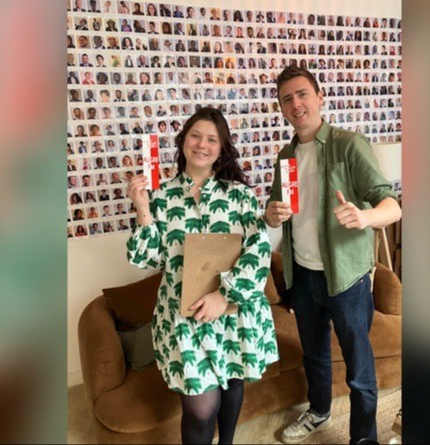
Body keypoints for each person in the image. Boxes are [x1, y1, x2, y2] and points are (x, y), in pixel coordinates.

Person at [264, 66, 401, 445]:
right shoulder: (286, 157)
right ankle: (319, 410)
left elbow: (392, 205)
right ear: (281, 108)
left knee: (358, 366)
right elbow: (276, 211)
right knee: (314, 355)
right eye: (287, 98)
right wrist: (271, 214)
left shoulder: (349, 144)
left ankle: (363, 438)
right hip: (303, 276)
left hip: (347, 278)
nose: (296, 104)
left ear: (319, 97)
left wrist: (365, 217)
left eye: (302, 94)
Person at [126, 107, 278, 445]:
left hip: (233, 312)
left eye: (212, 139)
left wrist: (224, 295)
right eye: (195, 136)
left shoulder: (239, 195)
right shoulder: (160, 196)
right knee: (200, 408)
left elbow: (258, 250)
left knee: (234, 380)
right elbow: (144, 258)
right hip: (184, 317)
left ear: (221, 149)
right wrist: (143, 211)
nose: (202, 144)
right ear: (183, 141)